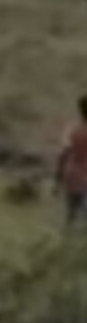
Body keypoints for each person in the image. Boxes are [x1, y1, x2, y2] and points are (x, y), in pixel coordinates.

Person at [56, 95, 87, 227]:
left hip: (72, 175)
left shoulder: (72, 129)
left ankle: (67, 241)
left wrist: (57, 178)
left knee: (71, 216)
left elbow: (63, 154)